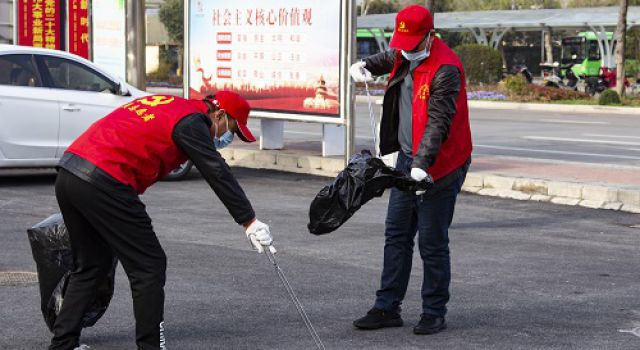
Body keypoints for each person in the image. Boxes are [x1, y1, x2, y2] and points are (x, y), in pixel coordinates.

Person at [50, 91, 275, 350]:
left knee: (91, 264)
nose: (227, 138)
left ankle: (62, 344)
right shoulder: (193, 121)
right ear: (220, 114)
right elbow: (216, 170)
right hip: (105, 179)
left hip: (70, 171)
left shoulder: (170, 104)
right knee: (149, 266)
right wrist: (249, 221)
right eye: (232, 130)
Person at [349, 5, 472, 335]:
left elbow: (438, 124)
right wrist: (364, 65)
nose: (405, 48)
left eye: (413, 42)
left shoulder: (446, 69)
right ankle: (387, 307)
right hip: (407, 158)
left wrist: (421, 168)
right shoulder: (405, 51)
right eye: (402, 40)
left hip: (441, 164)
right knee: (397, 233)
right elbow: (389, 57)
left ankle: (434, 311)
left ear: (430, 35)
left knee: (431, 241)